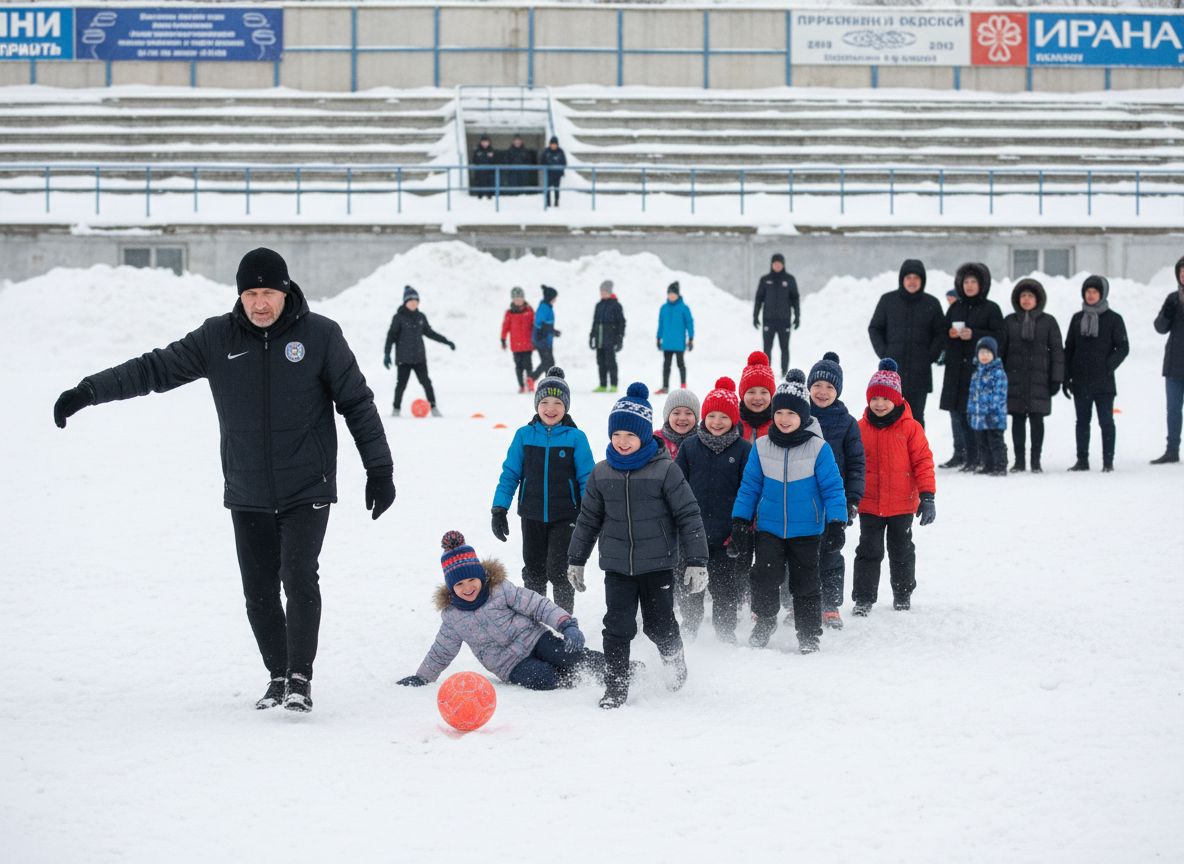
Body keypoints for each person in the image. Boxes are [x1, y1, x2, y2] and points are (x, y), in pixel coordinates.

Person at [51, 247, 396, 713]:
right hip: (248, 488)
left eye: (268, 292)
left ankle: (300, 677)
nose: (259, 303)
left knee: (298, 576)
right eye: (251, 293)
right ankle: (276, 675)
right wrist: (89, 391)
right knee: (257, 590)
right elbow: (154, 368)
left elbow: (357, 401)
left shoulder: (321, 336)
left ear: (285, 290)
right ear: (240, 295)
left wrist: (380, 468)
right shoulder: (217, 337)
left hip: (307, 485)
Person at [566, 383, 709, 709]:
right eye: (617, 435)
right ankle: (616, 685)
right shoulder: (601, 473)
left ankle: (673, 655)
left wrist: (698, 560)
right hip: (617, 566)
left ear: (645, 435)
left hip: (658, 564)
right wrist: (576, 558)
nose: (623, 441)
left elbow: (689, 515)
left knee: (659, 625)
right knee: (617, 628)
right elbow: (588, 520)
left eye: (630, 436)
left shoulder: (665, 470)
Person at [397, 532, 603, 692]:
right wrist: (423, 676)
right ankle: (576, 680)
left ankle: (616, 669)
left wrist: (566, 624)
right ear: (451, 588)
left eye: (471, 580)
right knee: (544, 678)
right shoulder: (453, 617)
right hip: (509, 664)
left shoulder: (500, 590)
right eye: (459, 584)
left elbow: (537, 605)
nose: (467, 588)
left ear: (480, 577)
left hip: (536, 639)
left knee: (569, 656)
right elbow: (442, 650)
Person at [730, 370, 846, 654]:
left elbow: (833, 488)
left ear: (803, 416)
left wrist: (836, 523)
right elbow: (749, 487)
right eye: (779, 412)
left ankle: (808, 634)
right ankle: (766, 620)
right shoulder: (761, 447)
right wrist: (741, 520)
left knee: (805, 583)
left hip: (807, 530)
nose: (784, 419)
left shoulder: (819, 449)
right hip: (769, 528)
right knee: (764, 578)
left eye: (791, 414)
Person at [491, 368, 595, 614]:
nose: (551, 408)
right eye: (545, 402)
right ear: (537, 404)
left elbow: (587, 479)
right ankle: (536, 622)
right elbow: (510, 474)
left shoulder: (575, 438)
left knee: (559, 569)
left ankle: (563, 621)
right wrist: (499, 508)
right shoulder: (524, 435)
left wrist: (591, 514)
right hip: (532, 514)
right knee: (534, 570)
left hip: (566, 516)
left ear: (566, 407)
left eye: (558, 402)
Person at [853, 359, 936, 615]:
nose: (879, 404)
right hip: (869, 503)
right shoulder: (859, 428)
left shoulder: (911, 428)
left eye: (885, 399)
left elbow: (923, 462)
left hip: (902, 503)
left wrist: (928, 496)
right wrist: (850, 497)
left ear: (897, 399)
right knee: (868, 551)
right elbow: (852, 465)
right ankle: (864, 599)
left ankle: (902, 593)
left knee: (901, 551)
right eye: (874, 398)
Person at [674, 377, 752, 642]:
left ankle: (725, 631)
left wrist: (741, 528)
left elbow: (748, 490)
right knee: (690, 584)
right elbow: (677, 487)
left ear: (734, 419)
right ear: (704, 417)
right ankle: (690, 625)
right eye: (712, 416)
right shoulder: (689, 447)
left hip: (726, 535)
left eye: (724, 417)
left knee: (725, 588)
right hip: (692, 535)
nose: (717, 422)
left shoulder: (743, 450)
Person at [807, 352, 865, 629]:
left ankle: (830, 605)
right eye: (817, 385)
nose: (822, 391)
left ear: (838, 391)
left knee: (831, 553)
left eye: (830, 387)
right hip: (801, 499)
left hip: (833, 501)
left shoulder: (847, 422)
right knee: (800, 552)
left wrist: (852, 498)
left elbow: (855, 463)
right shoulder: (797, 415)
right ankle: (801, 603)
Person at [939, 263, 1005, 472]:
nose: (969, 285)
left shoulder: (991, 308)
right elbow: (942, 334)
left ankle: (978, 456)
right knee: (956, 413)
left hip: (978, 372)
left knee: (973, 414)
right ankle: (961, 454)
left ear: (982, 284)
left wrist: (974, 334)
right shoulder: (955, 307)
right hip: (955, 368)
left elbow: (999, 338)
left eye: (973, 282)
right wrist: (949, 335)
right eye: (965, 281)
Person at [867, 259, 946, 427]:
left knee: (915, 417)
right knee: (888, 415)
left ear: (922, 280)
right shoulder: (888, 301)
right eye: (908, 277)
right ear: (902, 279)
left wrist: (930, 355)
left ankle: (916, 453)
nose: (912, 281)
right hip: (892, 373)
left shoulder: (931, 303)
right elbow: (875, 328)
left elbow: (941, 332)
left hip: (920, 373)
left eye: (916, 277)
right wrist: (885, 352)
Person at [1064, 275, 1129, 472]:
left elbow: (1123, 347)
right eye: (1087, 291)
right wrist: (1066, 377)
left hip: (1104, 382)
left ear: (1102, 294)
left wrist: (1108, 366)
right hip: (1081, 380)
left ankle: (1108, 462)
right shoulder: (1077, 319)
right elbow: (1069, 349)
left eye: (1094, 292)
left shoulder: (1114, 319)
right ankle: (1082, 460)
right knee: (1082, 422)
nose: (1090, 295)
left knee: (1106, 422)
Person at [1002, 278, 1064, 473]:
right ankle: (1019, 461)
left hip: (1040, 381)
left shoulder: (1048, 322)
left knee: (1037, 421)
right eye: (1023, 296)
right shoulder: (1010, 321)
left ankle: (1036, 461)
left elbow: (1057, 352)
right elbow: (1001, 353)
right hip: (1015, 381)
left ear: (1038, 299)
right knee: (1018, 421)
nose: (1026, 299)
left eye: (1030, 296)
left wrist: (1057, 378)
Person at [383, 285, 455, 417]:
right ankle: (396, 410)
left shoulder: (421, 316)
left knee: (426, 383)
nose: (413, 302)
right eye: (410, 300)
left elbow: (430, 333)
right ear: (405, 302)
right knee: (401, 385)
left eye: (416, 300)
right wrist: (387, 354)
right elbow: (391, 337)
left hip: (419, 358)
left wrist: (446, 341)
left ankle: (433, 408)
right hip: (403, 359)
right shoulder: (398, 317)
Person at [1151, 255, 1184, 465]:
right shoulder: (1172, 298)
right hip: (1174, 364)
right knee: (1173, 409)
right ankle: (1172, 449)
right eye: (1182, 272)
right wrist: (1167, 315)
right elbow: (1160, 328)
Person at [752, 253, 800, 376]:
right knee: (767, 349)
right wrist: (755, 316)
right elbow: (759, 299)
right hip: (768, 320)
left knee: (784, 348)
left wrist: (797, 316)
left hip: (784, 321)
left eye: (779, 263)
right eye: (775, 263)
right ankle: (766, 373)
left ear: (783, 265)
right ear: (772, 264)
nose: (777, 265)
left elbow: (795, 298)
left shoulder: (790, 280)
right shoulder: (765, 280)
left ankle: (784, 374)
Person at [967, 337, 1009, 476]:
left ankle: (1000, 465)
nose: (984, 356)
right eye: (981, 353)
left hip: (994, 417)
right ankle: (988, 465)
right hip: (979, 417)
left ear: (994, 355)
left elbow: (999, 395)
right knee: (982, 442)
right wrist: (971, 411)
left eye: (987, 353)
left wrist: (991, 411)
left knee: (995, 442)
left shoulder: (998, 373)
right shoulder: (977, 373)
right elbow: (972, 395)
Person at [656, 281, 694, 395]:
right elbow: (661, 324)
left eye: (674, 294)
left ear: (678, 295)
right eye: (670, 294)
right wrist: (658, 338)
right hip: (667, 343)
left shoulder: (684, 308)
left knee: (680, 364)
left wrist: (691, 338)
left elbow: (689, 323)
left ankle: (683, 385)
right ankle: (665, 387)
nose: (672, 296)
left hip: (679, 343)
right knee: (666, 365)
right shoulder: (663, 308)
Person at [589, 280, 626, 393]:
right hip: (600, 340)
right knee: (600, 362)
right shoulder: (599, 305)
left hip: (610, 339)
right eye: (601, 291)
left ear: (609, 292)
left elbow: (621, 323)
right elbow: (595, 322)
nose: (602, 293)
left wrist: (619, 339)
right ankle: (603, 385)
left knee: (611, 362)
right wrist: (591, 337)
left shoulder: (616, 305)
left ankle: (614, 385)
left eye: (604, 291)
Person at [500, 285, 535, 393]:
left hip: (528, 344)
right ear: (513, 300)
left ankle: (530, 383)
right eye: (516, 299)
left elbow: (535, 325)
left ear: (523, 299)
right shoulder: (509, 313)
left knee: (528, 365)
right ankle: (521, 385)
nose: (518, 301)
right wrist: (503, 339)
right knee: (518, 367)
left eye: (520, 299)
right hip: (516, 345)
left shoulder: (529, 311)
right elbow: (505, 327)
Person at [738, 350, 776, 441]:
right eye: (751, 392)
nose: (758, 398)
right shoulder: (732, 423)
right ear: (742, 395)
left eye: (764, 392)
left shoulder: (779, 424)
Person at [653, 388, 700, 458]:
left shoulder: (702, 440)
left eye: (688, 413)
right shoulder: (656, 441)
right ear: (668, 416)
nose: (682, 418)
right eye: (676, 413)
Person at [531, 285, 560, 381]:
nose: (555, 300)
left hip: (546, 340)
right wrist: (552, 331)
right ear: (549, 298)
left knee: (548, 362)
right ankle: (532, 378)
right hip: (542, 341)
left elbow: (547, 325)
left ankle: (549, 382)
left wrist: (553, 331)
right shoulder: (544, 308)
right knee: (548, 361)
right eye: (554, 298)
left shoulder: (547, 307)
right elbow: (540, 324)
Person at [541, 135, 567, 208]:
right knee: (547, 189)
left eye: (555, 144)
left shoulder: (560, 152)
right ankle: (548, 203)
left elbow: (564, 163)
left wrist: (559, 169)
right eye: (552, 144)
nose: (553, 146)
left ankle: (556, 202)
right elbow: (542, 162)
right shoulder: (546, 152)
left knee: (556, 189)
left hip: (557, 174)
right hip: (548, 174)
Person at [470, 133, 496, 199]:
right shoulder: (477, 151)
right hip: (480, 172)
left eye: (486, 142)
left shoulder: (491, 150)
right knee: (480, 185)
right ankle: (479, 196)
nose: (485, 143)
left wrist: (491, 158)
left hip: (489, 172)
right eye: (483, 142)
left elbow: (495, 162)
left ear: (489, 142)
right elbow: (474, 160)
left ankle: (489, 196)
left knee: (490, 185)